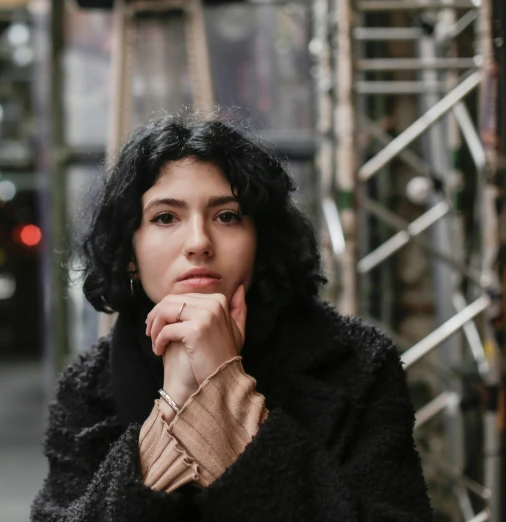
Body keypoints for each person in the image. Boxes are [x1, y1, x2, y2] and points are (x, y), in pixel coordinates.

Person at [30, 114, 433, 521]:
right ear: (130, 254)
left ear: (260, 240)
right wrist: (176, 400)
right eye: (165, 218)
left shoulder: (357, 362)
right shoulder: (87, 386)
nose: (199, 243)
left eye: (227, 216)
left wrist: (224, 383)